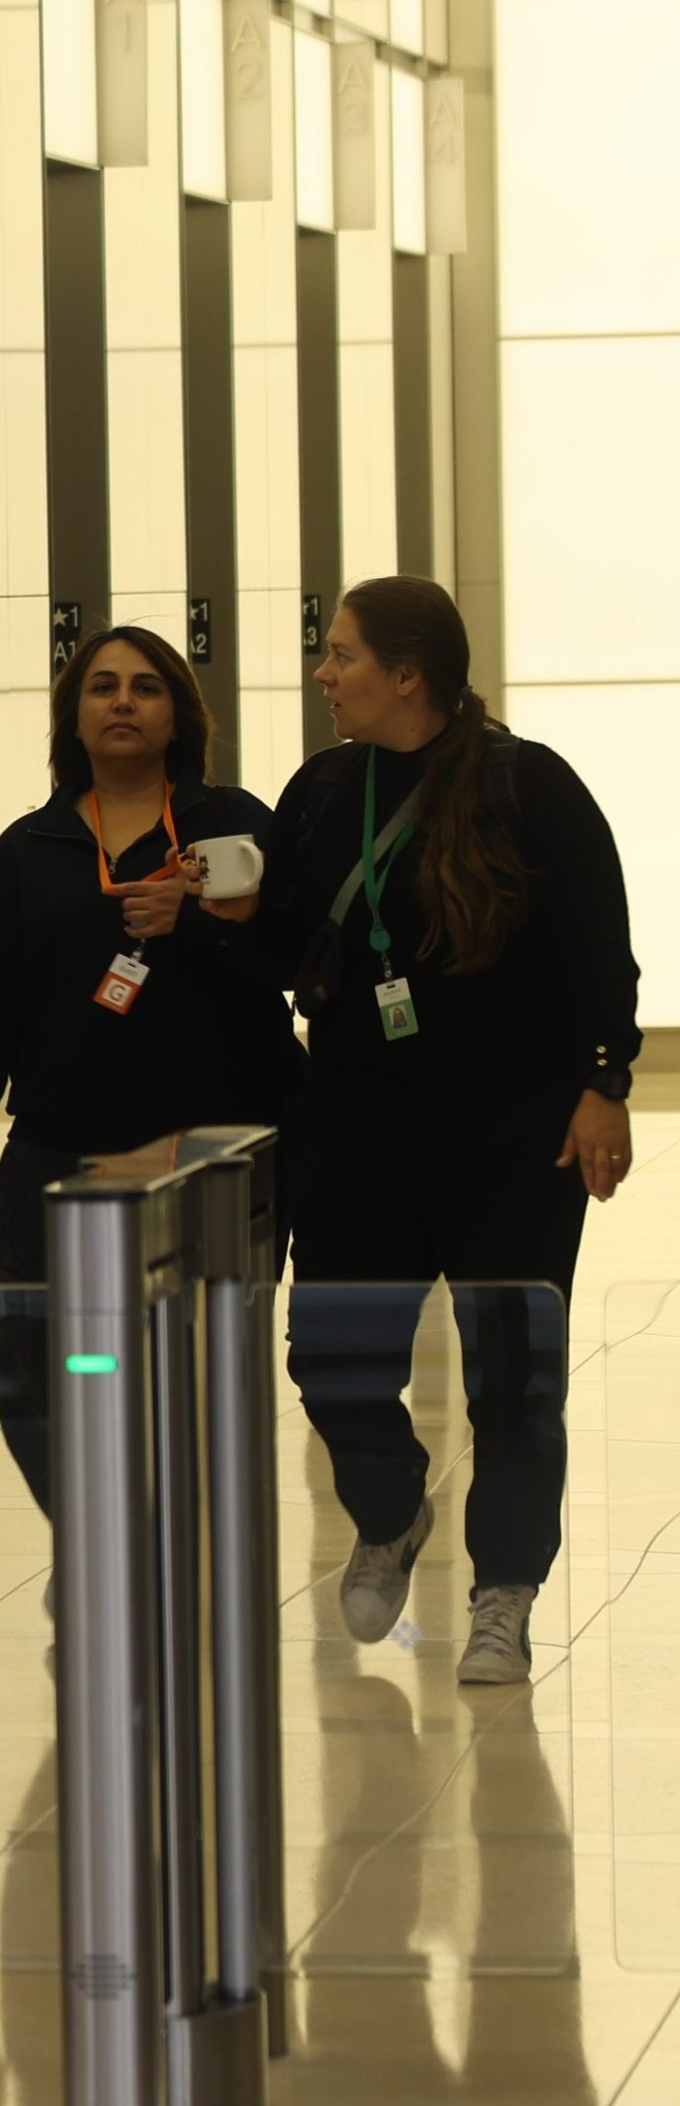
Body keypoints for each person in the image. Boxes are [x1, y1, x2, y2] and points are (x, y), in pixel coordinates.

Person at [255, 575, 638, 1691]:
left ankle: (502, 1595)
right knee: (331, 1356)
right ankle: (390, 1511)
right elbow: (291, 949)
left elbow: (598, 952)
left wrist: (604, 1082)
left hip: (513, 1139)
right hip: (357, 1133)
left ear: (407, 675)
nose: (325, 675)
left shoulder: (530, 789)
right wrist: (231, 916)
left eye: (342, 656)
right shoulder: (325, 791)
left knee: (513, 1377)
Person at [0, 624, 294, 1511]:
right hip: (58, 1155)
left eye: (145, 687)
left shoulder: (232, 827)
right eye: (102, 688)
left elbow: (293, 958)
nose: (122, 701)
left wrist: (203, 918)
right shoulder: (28, 852)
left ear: (179, 717)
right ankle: (94, 1532)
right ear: (74, 719)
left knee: (193, 1379)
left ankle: (152, 1550)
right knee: (35, 1378)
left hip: (213, 1154)